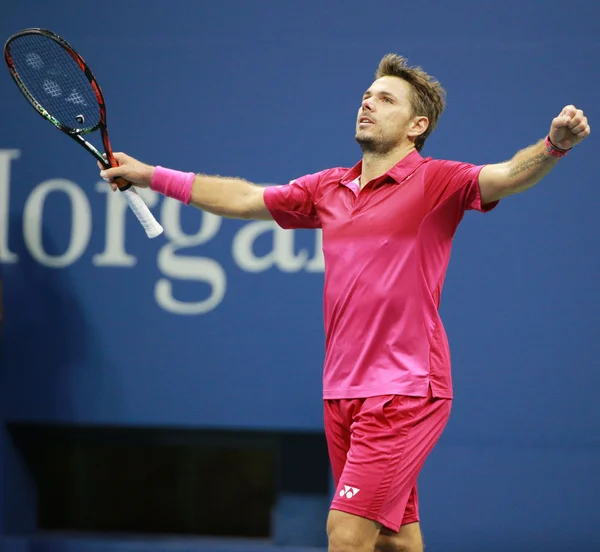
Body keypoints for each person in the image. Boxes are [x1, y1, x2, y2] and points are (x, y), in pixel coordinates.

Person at [99, 54, 590, 552]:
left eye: (385, 99)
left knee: (347, 536)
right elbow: (245, 199)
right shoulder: (327, 187)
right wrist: (150, 175)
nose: (368, 104)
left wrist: (554, 146)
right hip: (342, 392)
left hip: (404, 390)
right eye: (366, 96)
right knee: (394, 541)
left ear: (417, 126)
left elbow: (507, 176)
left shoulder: (438, 181)